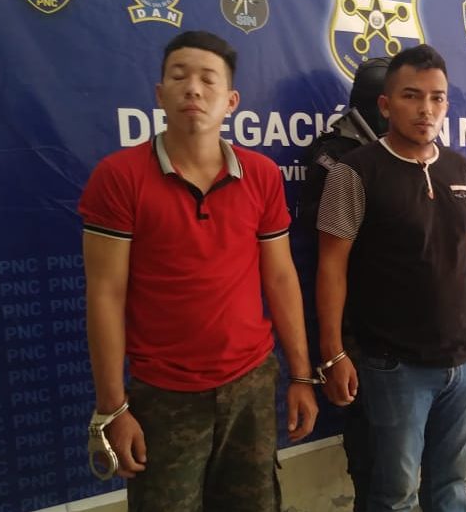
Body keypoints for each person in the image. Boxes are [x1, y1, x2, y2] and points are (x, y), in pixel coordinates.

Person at [78, 31, 318, 511]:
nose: (193, 88)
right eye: (179, 76)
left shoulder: (261, 175)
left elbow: (280, 278)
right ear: (159, 93)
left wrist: (302, 376)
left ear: (231, 101)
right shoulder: (119, 176)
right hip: (163, 395)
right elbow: (105, 293)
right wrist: (111, 407)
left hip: (251, 385)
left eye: (209, 79)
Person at [315, 44, 466, 512]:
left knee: (450, 485)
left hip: (462, 361)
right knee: (395, 493)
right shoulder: (354, 172)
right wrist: (333, 353)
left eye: (437, 98)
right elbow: (330, 267)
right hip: (394, 367)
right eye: (412, 96)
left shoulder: (458, 167)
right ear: (386, 105)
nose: (426, 109)